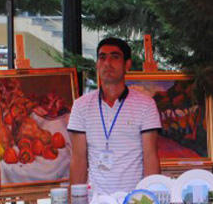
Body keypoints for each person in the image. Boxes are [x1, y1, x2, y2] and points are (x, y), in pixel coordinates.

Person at [68, 37, 161, 195]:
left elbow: (150, 157)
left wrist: (150, 203)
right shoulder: (81, 105)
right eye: (102, 57)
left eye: (115, 57)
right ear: (97, 64)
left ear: (127, 65)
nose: (107, 63)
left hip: (134, 203)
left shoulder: (146, 105)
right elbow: (78, 160)